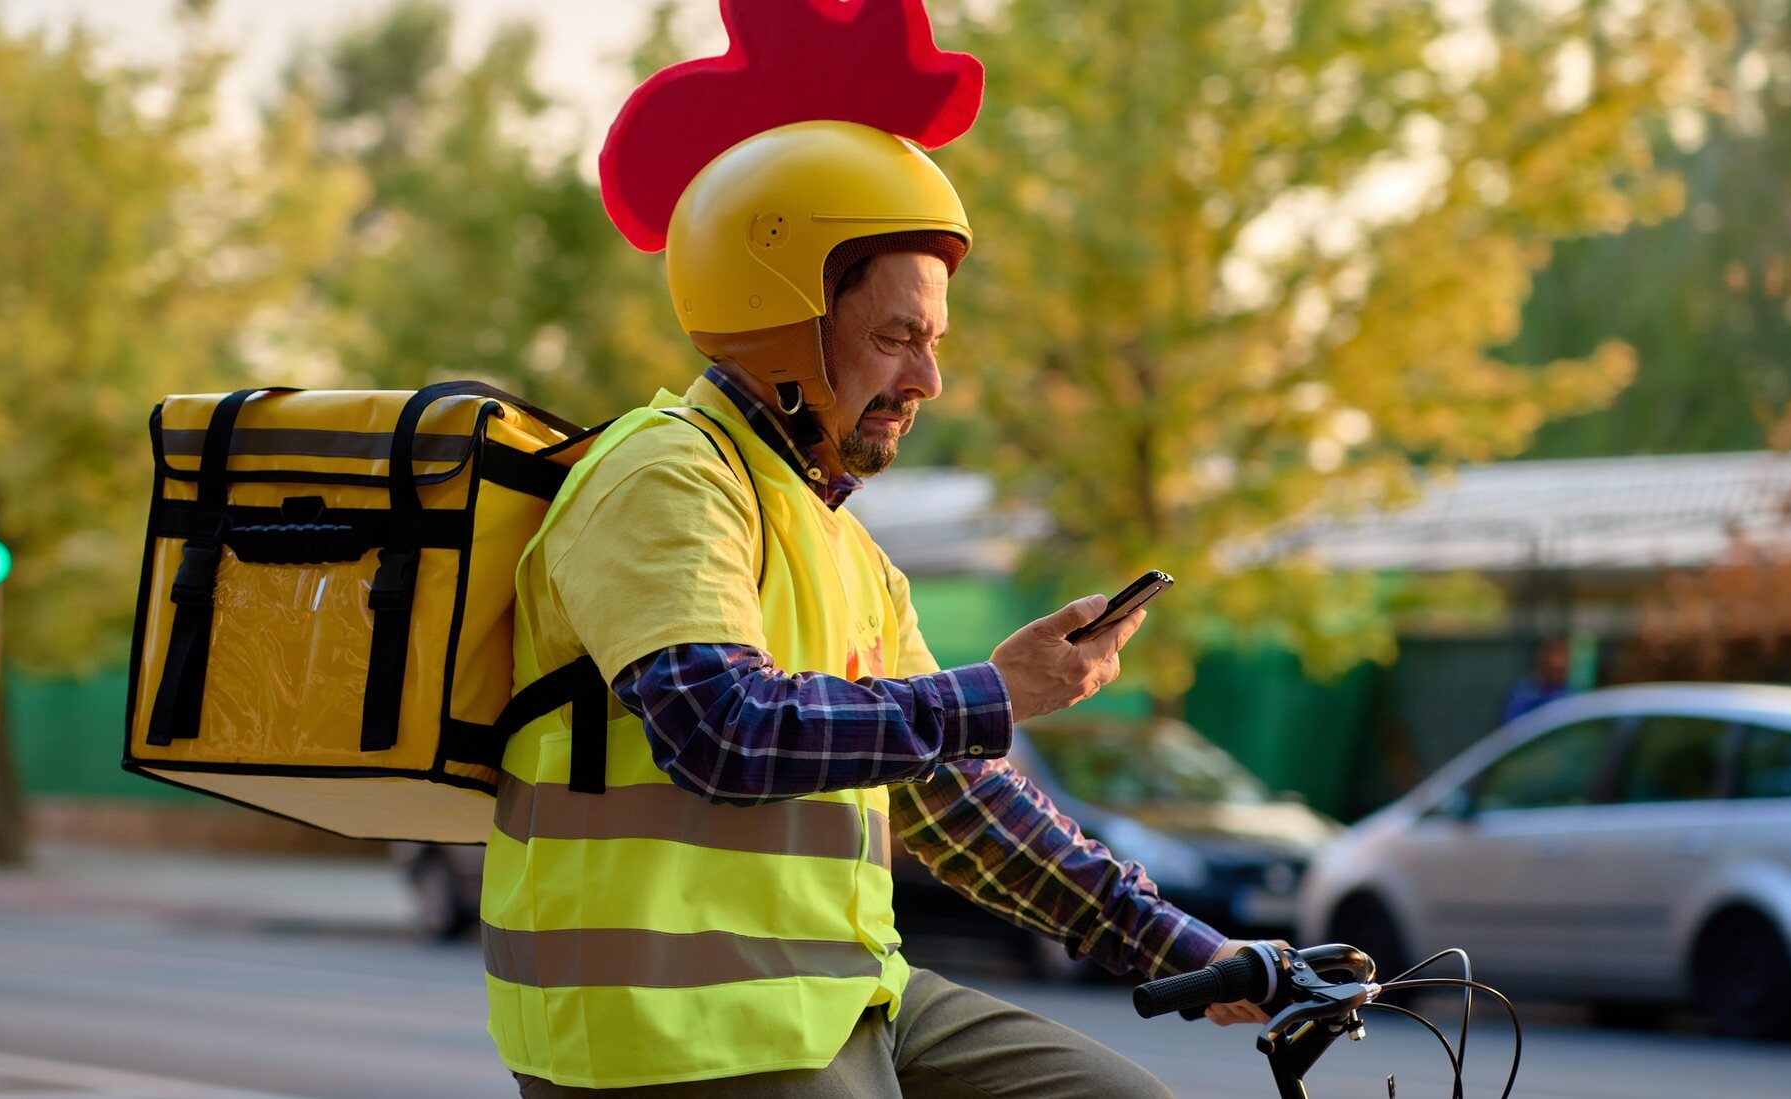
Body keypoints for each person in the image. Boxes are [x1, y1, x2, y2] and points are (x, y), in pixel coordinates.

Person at [486, 2, 1267, 1094]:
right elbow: (721, 729)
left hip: (849, 992)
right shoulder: (664, 477)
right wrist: (989, 693)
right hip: (671, 1031)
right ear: (778, 317)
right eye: (897, 336)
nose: (926, 381)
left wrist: (1184, 947)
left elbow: (951, 798)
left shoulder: (842, 541)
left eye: (933, 342)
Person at [1500, 637, 1574, 724]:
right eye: (1553, 654)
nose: (1558, 662)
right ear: (1542, 657)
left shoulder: (1572, 695)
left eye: (1562, 654)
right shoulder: (1523, 695)